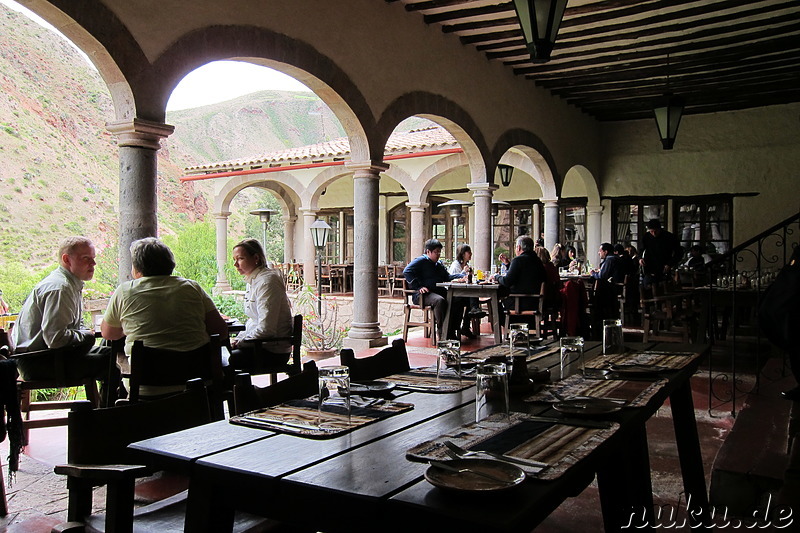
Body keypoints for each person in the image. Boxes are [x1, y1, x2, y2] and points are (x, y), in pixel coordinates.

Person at [101, 237, 228, 397]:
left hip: (147, 386)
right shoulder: (192, 287)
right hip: (198, 383)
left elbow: (108, 333)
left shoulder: (125, 291)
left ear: (137, 268)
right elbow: (221, 331)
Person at [12, 236, 114, 395]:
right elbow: (55, 339)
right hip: (40, 362)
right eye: (86, 258)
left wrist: (84, 334)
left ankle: (104, 410)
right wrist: (85, 335)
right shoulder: (61, 288)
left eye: (93, 258)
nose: (93, 264)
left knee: (111, 349)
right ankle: (106, 415)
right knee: (113, 363)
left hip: (49, 357)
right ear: (67, 259)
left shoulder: (70, 283)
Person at [229, 238, 294, 370]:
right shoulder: (254, 280)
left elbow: (267, 329)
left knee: (224, 361)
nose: (236, 264)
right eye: (234, 260)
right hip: (260, 345)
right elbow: (254, 321)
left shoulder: (267, 282)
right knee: (221, 356)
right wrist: (239, 338)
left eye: (240, 258)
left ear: (256, 258)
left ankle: (243, 390)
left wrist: (240, 343)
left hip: (272, 351)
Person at [403, 239, 471, 340]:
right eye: (436, 252)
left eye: (439, 251)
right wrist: (418, 287)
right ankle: (443, 332)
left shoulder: (438, 264)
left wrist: (461, 276)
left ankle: (453, 329)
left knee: (459, 298)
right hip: (423, 295)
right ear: (428, 251)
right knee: (440, 301)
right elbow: (406, 271)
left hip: (437, 292)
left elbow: (447, 277)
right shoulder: (421, 261)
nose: (438, 254)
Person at [491, 235, 547, 313]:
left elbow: (507, 281)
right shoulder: (537, 260)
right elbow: (524, 273)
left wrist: (496, 276)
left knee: (495, 303)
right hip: (535, 302)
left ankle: (506, 324)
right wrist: (508, 264)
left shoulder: (518, 260)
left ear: (519, 247)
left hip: (520, 302)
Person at [640, 219, 683, 286]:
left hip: (665, 268)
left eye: (656, 231)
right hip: (649, 269)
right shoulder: (646, 237)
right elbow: (641, 249)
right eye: (651, 231)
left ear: (660, 229)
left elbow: (679, 253)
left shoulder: (670, 237)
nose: (654, 234)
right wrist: (640, 259)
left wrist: (670, 264)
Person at [449, 244, 485, 318]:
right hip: (454, 294)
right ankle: (474, 309)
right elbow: (453, 279)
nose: (471, 254)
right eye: (469, 252)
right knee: (472, 298)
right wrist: (463, 273)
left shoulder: (466, 265)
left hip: (463, 292)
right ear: (462, 254)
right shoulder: (455, 266)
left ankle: (466, 326)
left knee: (472, 298)